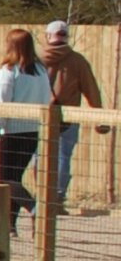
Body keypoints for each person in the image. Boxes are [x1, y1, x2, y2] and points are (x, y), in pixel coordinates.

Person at [43, 20, 104, 210]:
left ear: (48, 36)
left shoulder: (35, 59)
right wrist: (99, 119)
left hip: (39, 116)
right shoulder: (77, 61)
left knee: (40, 157)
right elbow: (91, 89)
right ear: (67, 36)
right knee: (62, 158)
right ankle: (57, 199)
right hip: (68, 116)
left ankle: (43, 197)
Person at [0, 27, 49, 226]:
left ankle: (34, 208)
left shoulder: (8, 72)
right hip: (33, 130)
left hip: (12, 130)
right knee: (15, 177)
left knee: (6, 179)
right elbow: (48, 98)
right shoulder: (41, 72)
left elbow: (1, 103)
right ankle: (10, 225)